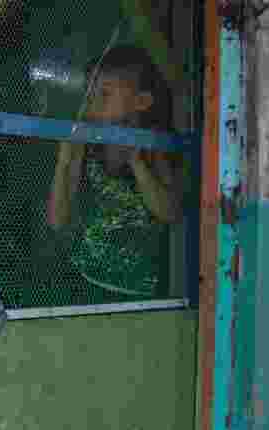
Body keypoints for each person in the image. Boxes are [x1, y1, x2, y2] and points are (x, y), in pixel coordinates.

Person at [45, 45, 182, 299]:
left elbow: (171, 213)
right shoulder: (86, 146)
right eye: (89, 93)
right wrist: (64, 161)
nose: (91, 101)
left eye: (104, 93)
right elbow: (57, 219)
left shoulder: (154, 148)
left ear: (142, 102)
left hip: (139, 291)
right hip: (84, 280)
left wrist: (137, 163)